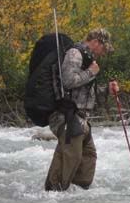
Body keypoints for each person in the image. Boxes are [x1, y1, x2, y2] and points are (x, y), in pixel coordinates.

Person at [44, 28, 118, 191]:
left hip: (80, 119)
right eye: (104, 48)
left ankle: (78, 195)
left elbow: (87, 92)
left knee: (88, 157)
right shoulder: (75, 54)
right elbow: (69, 81)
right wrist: (91, 72)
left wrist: (107, 90)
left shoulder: (87, 59)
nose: (104, 52)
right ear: (96, 42)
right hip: (66, 117)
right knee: (72, 157)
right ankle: (54, 194)